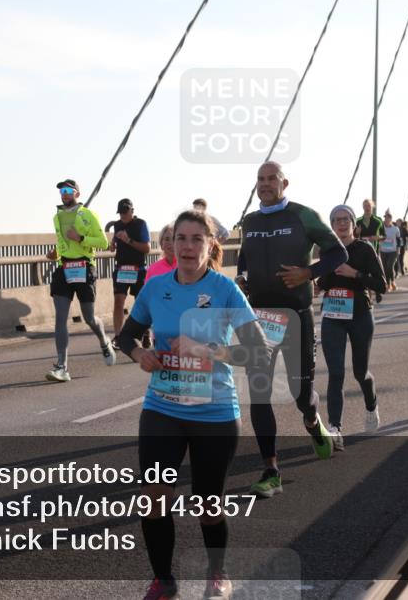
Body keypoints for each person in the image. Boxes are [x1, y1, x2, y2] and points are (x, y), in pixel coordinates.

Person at [116, 210, 270, 600]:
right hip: (162, 407)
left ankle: (217, 573)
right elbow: (126, 337)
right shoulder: (155, 288)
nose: (187, 246)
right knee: (154, 495)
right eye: (180, 238)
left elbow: (257, 350)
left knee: (207, 502)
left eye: (196, 239)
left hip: (213, 412)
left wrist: (208, 349)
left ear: (209, 245)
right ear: (171, 244)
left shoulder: (225, 290)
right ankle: (163, 580)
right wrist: (140, 355)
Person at [237, 162, 347, 498]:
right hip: (259, 318)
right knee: (259, 392)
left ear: (285, 183)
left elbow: (337, 252)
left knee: (302, 396)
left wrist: (308, 274)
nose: (266, 184)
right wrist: (241, 277)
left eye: (272, 179)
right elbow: (245, 257)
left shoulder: (303, 215)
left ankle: (314, 423)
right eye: (260, 179)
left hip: (296, 317)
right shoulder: (250, 221)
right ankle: (271, 470)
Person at [318, 205, 386, 449]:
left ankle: (371, 404)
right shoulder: (327, 250)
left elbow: (382, 285)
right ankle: (335, 428)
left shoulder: (364, 249)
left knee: (360, 373)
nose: (342, 223)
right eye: (336, 220)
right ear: (332, 225)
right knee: (336, 373)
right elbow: (322, 281)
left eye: (346, 219)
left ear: (354, 224)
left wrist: (354, 273)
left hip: (360, 315)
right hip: (332, 316)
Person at [46, 178, 115, 382]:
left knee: (89, 318)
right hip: (64, 268)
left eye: (68, 190)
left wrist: (81, 238)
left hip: (84, 267)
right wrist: (55, 253)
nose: (64, 194)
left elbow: (103, 242)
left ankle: (104, 341)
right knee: (60, 318)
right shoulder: (57, 217)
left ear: (77, 193)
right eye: (62, 191)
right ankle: (62, 367)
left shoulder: (88, 215)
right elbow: (63, 244)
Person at [109, 198, 151, 348]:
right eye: (120, 213)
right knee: (118, 302)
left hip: (138, 269)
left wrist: (128, 241)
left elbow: (147, 248)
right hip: (121, 269)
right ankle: (118, 336)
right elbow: (115, 240)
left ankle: (145, 333)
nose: (123, 217)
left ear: (132, 211)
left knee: (140, 303)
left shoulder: (141, 224)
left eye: (125, 213)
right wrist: (113, 244)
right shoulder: (117, 224)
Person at [379, 212, 400, 292]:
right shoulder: (381, 228)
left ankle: (393, 281)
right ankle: (388, 284)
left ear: (391, 219)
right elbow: (378, 238)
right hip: (383, 250)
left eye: (388, 218)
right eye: (385, 218)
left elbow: (398, 240)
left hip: (393, 251)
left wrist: (398, 250)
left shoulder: (395, 229)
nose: (386, 219)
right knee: (385, 268)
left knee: (389, 266)